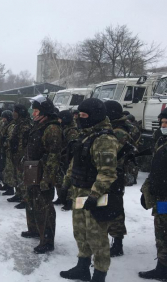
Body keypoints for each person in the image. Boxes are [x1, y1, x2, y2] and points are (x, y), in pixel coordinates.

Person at [60, 98, 120, 282]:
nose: (79, 118)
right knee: (81, 232)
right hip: (79, 193)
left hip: (96, 195)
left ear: (94, 116)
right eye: (79, 115)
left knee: (97, 236)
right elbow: (75, 162)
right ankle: (82, 267)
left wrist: (94, 195)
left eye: (84, 115)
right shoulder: (85, 135)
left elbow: (107, 172)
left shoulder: (104, 140)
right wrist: (65, 184)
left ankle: (99, 274)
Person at [22, 95, 61, 254]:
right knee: (31, 200)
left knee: (44, 206)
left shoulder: (51, 128)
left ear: (44, 111)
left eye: (36, 111)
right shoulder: (38, 125)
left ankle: (47, 240)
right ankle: (34, 229)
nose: (33, 114)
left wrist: (47, 178)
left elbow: (54, 155)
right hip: (33, 169)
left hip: (43, 172)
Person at [104, 100, 137, 257]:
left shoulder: (118, 132)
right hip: (113, 174)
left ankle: (117, 243)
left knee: (115, 209)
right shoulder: (114, 129)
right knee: (107, 206)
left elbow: (113, 157)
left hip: (115, 176)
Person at [139, 112, 167, 280]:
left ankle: (163, 270)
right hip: (161, 197)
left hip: (165, 198)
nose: (164, 126)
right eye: (162, 123)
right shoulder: (162, 141)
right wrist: (148, 191)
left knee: (163, 232)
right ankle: (162, 267)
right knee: (162, 230)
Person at [7, 104, 32, 209]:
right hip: (15, 153)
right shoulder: (17, 124)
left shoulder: (25, 125)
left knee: (23, 177)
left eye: (15, 112)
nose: (13, 114)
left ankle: (26, 199)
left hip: (21, 155)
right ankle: (18, 194)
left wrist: (21, 155)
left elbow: (23, 142)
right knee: (16, 176)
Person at [57, 110, 79, 211]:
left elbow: (72, 146)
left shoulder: (72, 130)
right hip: (63, 157)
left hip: (69, 158)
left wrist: (66, 155)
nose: (59, 120)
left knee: (69, 180)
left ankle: (70, 201)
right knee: (61, 179)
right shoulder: (65, 128)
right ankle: (61, 197)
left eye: (60, 118)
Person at [0, 110, 16, 196]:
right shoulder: (5, 125)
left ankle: (10, 188)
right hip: (5, 150)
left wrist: (4, 143)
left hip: (9, 151)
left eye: (4, 118)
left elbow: (11, 139)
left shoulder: (11, 126)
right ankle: (6, 184)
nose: (3, 119)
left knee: (9, 169)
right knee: (5, 169)